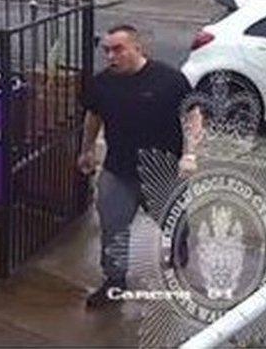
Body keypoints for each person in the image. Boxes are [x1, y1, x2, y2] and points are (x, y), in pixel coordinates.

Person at [78, 25, 202, 309]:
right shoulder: (101, 84)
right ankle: (114, 281)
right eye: (106, 50)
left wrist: (190, 154)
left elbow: (194, 115)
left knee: (170, 218)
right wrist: (87, 150)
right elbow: (93, 116)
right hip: (118, 170)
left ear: (138, 48)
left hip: (163, 171)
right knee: (113, 227)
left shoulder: (169, 79)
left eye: (118, 49)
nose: (111, 56)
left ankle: (180, 239)